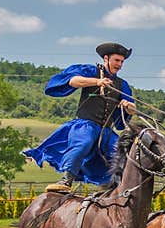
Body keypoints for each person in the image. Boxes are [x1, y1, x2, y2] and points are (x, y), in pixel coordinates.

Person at [23, 42, 138, 193]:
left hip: (106, 131)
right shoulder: (90, 71)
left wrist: (129, 108)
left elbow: (132, 108)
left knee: (125, 152)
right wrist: (97, 81)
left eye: (122, 62)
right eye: (117, 60)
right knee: (83, 142)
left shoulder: (122, 85)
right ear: (106, 58)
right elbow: (72, 80)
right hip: (85, 124)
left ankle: (115, 187)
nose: (120, 64)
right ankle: (66, 180)